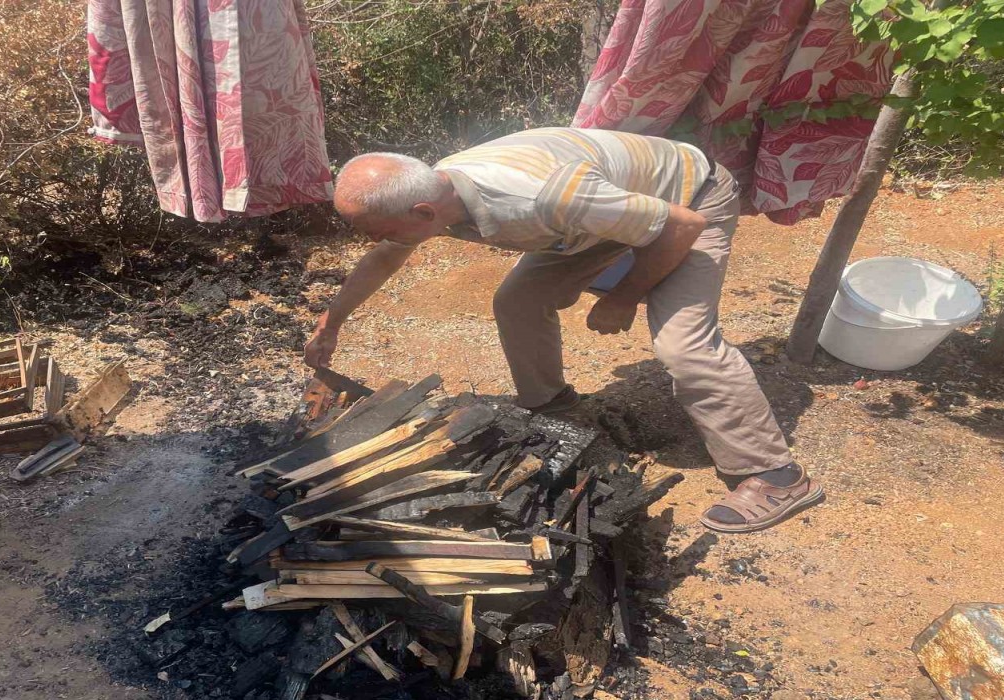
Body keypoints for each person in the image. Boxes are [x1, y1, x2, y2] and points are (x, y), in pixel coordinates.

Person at [303, 127, 822, 533]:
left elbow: (679, 226)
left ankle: (776, 475)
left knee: (683, 344)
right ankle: (553, 406)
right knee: (518, 299)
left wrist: (623, 298)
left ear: (422, 211)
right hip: (605, 216)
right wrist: (333, 320)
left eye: (381, 230)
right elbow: (385, 254)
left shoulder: (543, 197)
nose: (375, 240)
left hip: (686, 202)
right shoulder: (437, 190)